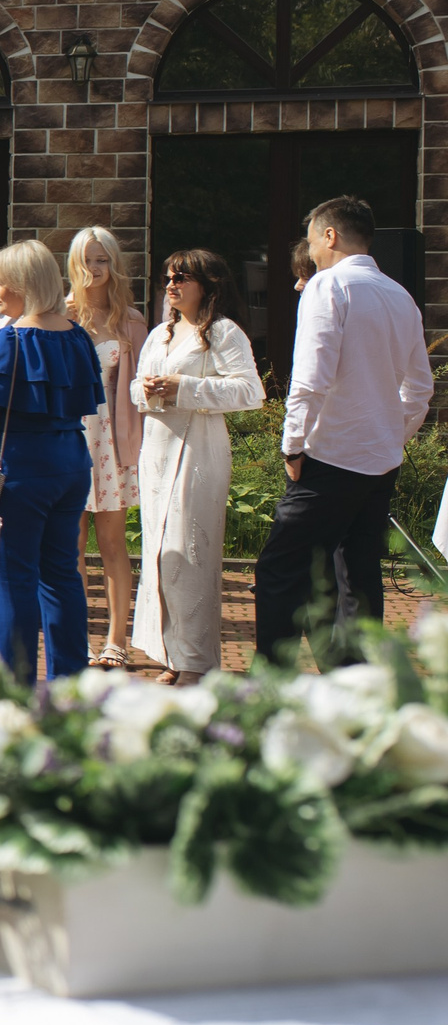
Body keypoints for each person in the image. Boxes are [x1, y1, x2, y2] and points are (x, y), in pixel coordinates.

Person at [256, 196, 434, 657]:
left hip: (330, 456)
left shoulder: (328, 286)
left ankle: (271, 687)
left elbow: (311, 378)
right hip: (379, 462)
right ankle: (353, 689)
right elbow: (420, 390)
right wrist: (391, 436)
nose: (311, 249)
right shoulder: (401, 296)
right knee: (357, 574)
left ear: (330, 235)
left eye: (313, 238)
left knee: (280, 568)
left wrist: (292, 446)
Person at [0, 239, 104, 687]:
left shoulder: (8, 340)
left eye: (1, 283)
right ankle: (69, 686)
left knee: (12, 576)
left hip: (15, 468)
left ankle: (16, 688)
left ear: (22, 286)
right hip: (71, 463)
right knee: (62, 573)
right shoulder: (78, 337)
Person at [131, 249, 264, 683]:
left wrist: (184, 388)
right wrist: (148, 389)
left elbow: (249, 391)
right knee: (158, 553)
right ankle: (170, 653)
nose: (171, 284)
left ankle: (197, 661)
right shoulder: (160, 334)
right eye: (168, 277)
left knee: (191, 552)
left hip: (197, 451)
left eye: (181, 277)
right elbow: (135, 389)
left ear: (208, 284)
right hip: (156, 449)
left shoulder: (222, 332)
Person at [67, 227, 147, 668]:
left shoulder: (132, 320)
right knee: (71, 542)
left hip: (113, 440)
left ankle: (116, 641)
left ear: (113, 264)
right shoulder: (61, 314)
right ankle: (77, 637)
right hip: (69, 437)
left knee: (113, 543)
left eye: (102, 260)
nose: (94, 268)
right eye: (87, 260)